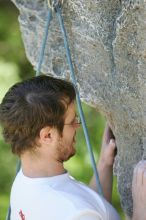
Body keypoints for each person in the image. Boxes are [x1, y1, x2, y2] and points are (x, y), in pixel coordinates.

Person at [0, 75, 146, 220]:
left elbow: (92, 210)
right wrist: (141, 208)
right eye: (72, 121)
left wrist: (104, 163)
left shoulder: (24, 185)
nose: (77, 126)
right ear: (47, 136)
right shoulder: (73, 211)